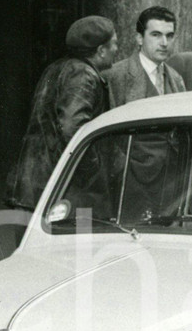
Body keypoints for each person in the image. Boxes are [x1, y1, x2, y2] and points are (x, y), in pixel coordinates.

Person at [6, 15, 118, 210]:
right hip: (65, 192)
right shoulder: (83, 74)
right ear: (101, 51)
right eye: (114, 44)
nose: (117, 50)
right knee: (81, 238)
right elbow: (72, 128)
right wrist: (94, 170)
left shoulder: (57, 68)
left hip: (37, 187)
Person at [103, 6, 186, 108]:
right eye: (156, 35)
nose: (164, 43)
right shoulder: (115, 76)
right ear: (140, 38)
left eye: (169, 36)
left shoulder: (176, 79)